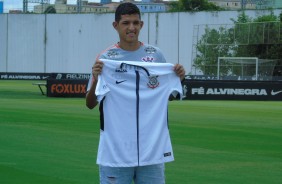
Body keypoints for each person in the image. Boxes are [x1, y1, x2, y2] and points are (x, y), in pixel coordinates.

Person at [86, 2, 185, 183]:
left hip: (152, 150)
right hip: (116, 150)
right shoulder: (105, 58)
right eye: (126, 23)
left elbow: (168, 96)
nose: (131, 28)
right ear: (116, 26)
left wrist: (179, 77)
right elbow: (90, 103)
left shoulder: (155, 55)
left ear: (141, 25)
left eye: (135, 23)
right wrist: (95, 79)